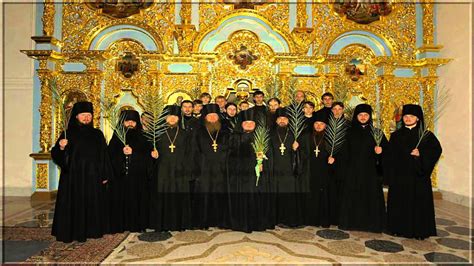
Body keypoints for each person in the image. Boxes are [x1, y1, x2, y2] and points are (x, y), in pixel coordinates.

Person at [51, 101, 112, 243]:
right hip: (73, 178)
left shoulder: (97, 134)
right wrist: (61, 147)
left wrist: (105, 174)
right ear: (76, 116)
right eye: (83, 115)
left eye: (89, 115)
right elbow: (56, 155)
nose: (86, 118)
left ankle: (92, 230)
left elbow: (104, 156)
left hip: (93, 177)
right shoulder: (67, 133)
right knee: (74, 204)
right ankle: (73, 231)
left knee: (93, 203)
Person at [386, 104, 442, 239]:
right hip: (400, 177)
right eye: (405, 116)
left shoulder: (426, 135)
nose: (408, 119)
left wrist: (420, 153)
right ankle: (397, 228)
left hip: (418, 177)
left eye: (411, 116)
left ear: (417, 118)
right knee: (400, 203)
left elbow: (436, 151)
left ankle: (419, 231)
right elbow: (390, 156)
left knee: (418, 204)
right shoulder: (396, 135)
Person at [338, 104, 388, 233]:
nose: (363, 117)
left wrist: (381, 152)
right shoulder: (348, 133)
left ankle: (372, 224)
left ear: (370, 117)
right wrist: (345, 170)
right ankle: (351, 223)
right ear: (356, 117)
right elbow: (343, 153)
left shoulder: (377, 133)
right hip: (352, 171)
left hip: (370, 172)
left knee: (371, 197)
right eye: (360, 115)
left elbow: (388, 152)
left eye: (366, 115)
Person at [107, 110, 153, 233]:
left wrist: (134, 154)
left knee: (137, 202)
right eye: (127, 121)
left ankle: (137, 224)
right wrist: (121, 155)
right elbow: (109, 156)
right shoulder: (116, 137)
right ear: (122, 122)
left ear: (137, 123)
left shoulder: (143, 137)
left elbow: (148, 157)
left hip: (138, 178)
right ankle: (120, 225)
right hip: (120, 178)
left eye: (133, 121)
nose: (130, 124)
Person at [229, 109, 274, 232]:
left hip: (258, 175)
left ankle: (258, 223)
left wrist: (263, 163)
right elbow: (230, 157)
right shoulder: (234, 137)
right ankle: (241, 223)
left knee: (257, 197)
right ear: (241, 124)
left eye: (251, 123)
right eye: (246, 123)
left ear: (255, 125)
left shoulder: (262, 137)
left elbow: (269, 155)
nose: (249, 125)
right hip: (240, 176)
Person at [149, 105, 193, 232]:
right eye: (170, 117)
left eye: (175, 117)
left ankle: (180, 223)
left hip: (180, 169)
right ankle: (162, 223)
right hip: (163, 169)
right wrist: (152, 153)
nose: (172, 119)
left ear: (179, 118)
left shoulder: (185, 134)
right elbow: (149, 150)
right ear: (165, 118)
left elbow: (190, 152)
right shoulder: (156, 134)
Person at [192, 104, 232, 229]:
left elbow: (231, 149)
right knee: (204, 195)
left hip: (222, 168)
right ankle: (203, 222)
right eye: (210, 116)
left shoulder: (226, 131)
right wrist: (197, 167)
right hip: (204, 168)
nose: (213, 118)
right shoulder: (198, 131)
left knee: (220, 195)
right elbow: (194, 150)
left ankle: (221, 221)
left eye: (215, 116)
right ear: (205, 118)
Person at [297, 111, 335, 227]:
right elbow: (299, 153)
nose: (318, 126)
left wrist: (333, 158)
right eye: (316, 123)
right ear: (313, 125)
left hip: (324, 171)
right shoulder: (305, 137)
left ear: (326, 126)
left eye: (321, 124)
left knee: (322, 196)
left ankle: (321, 219)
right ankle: (307, 219)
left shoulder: (331, 139)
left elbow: (338, 153)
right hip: (308, 171)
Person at [269, 108, 299, 227]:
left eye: (284, 119)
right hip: (274, 169)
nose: (282, 121)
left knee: (288, 195)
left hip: (288, 170)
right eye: (280, 119)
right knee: (274, 194)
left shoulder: (293, 134)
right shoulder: (270, 133)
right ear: (276, 121)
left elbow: (301, 155)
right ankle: (274, 219)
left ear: (288, 121)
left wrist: (296, 149)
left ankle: (287, 219)